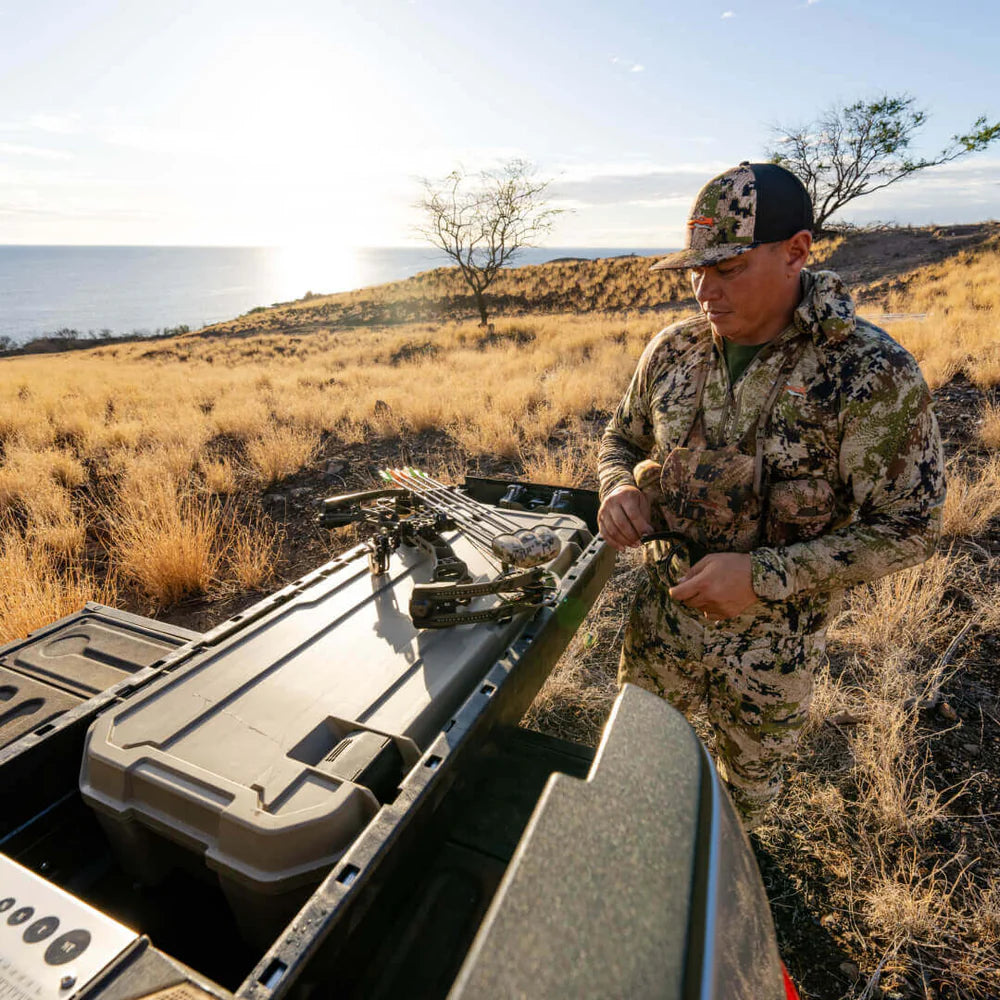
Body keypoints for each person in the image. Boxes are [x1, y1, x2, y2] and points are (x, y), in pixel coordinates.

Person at [596, 161, 945, 829]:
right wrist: (616, 490)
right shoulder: (671, 352)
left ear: (797, 252)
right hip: (658, 626)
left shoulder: (869, 373)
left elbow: (911, 526)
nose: (704, 290)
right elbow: (619, 440)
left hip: (770, 653)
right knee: (636, 778)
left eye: (727, 270)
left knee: (741, 813)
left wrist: (761, 576)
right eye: (695, 271)